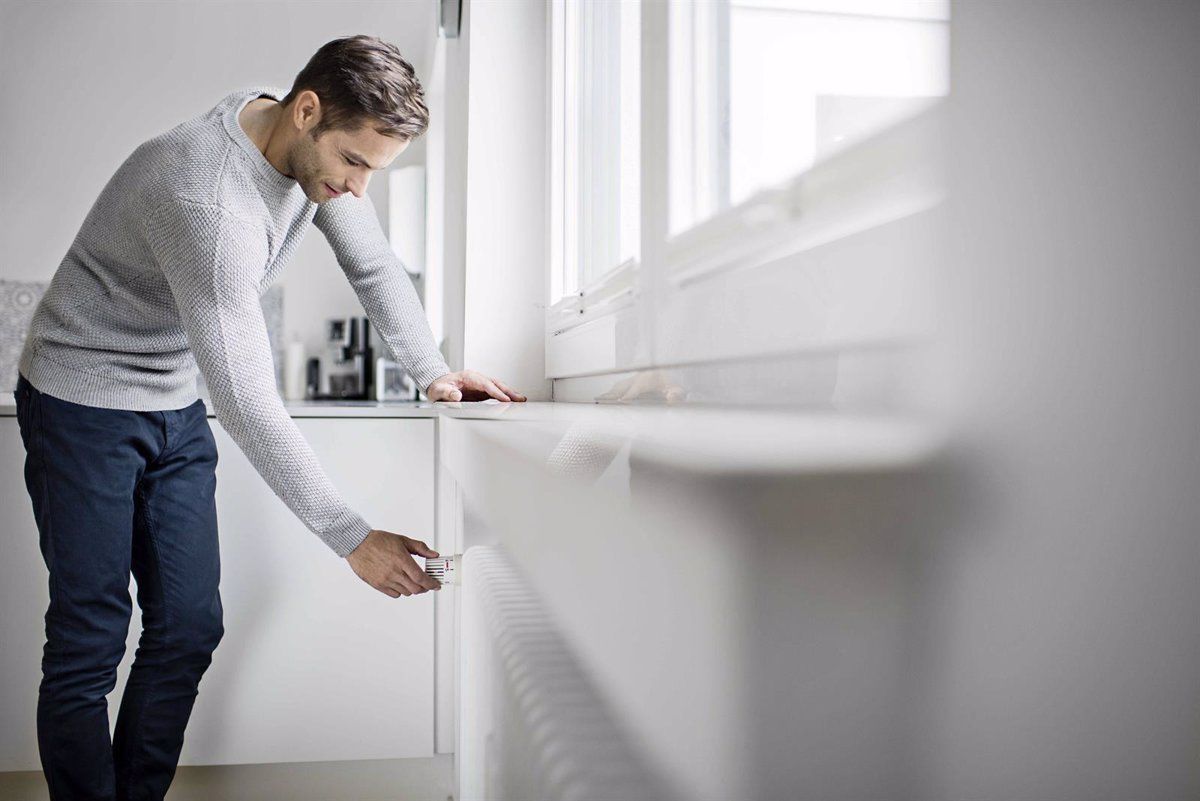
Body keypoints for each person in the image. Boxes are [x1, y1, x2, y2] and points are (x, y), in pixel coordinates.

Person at [13, 34, 525, 801]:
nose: (357, 188)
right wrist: (352, 536)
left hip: (170, 398)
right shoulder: (209, 201)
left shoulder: (298, 140)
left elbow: (374, 263)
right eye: (354, 163)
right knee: (90, 639)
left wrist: (435, 372)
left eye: (373, 172)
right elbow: (248, 401)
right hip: (80, 399)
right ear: (308, 111)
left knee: (188, 625)